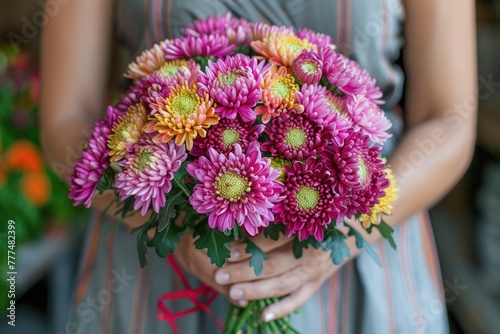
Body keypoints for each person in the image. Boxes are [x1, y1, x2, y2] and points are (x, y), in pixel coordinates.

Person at [40, 0, 477, 333]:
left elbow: (450, 118)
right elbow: (65, 121)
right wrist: (164, 223)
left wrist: (346, 233)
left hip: (361, 257)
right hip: (154, 257)